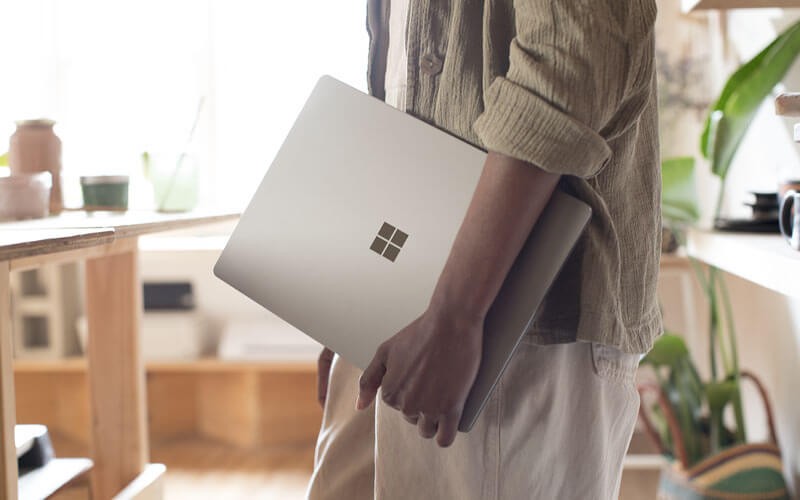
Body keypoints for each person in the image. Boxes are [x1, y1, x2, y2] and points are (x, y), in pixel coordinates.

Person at [307, 0, 661, 498]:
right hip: (404, 301)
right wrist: (360, 293)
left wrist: (456, 312)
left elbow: (574, 58)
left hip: (512, 315)